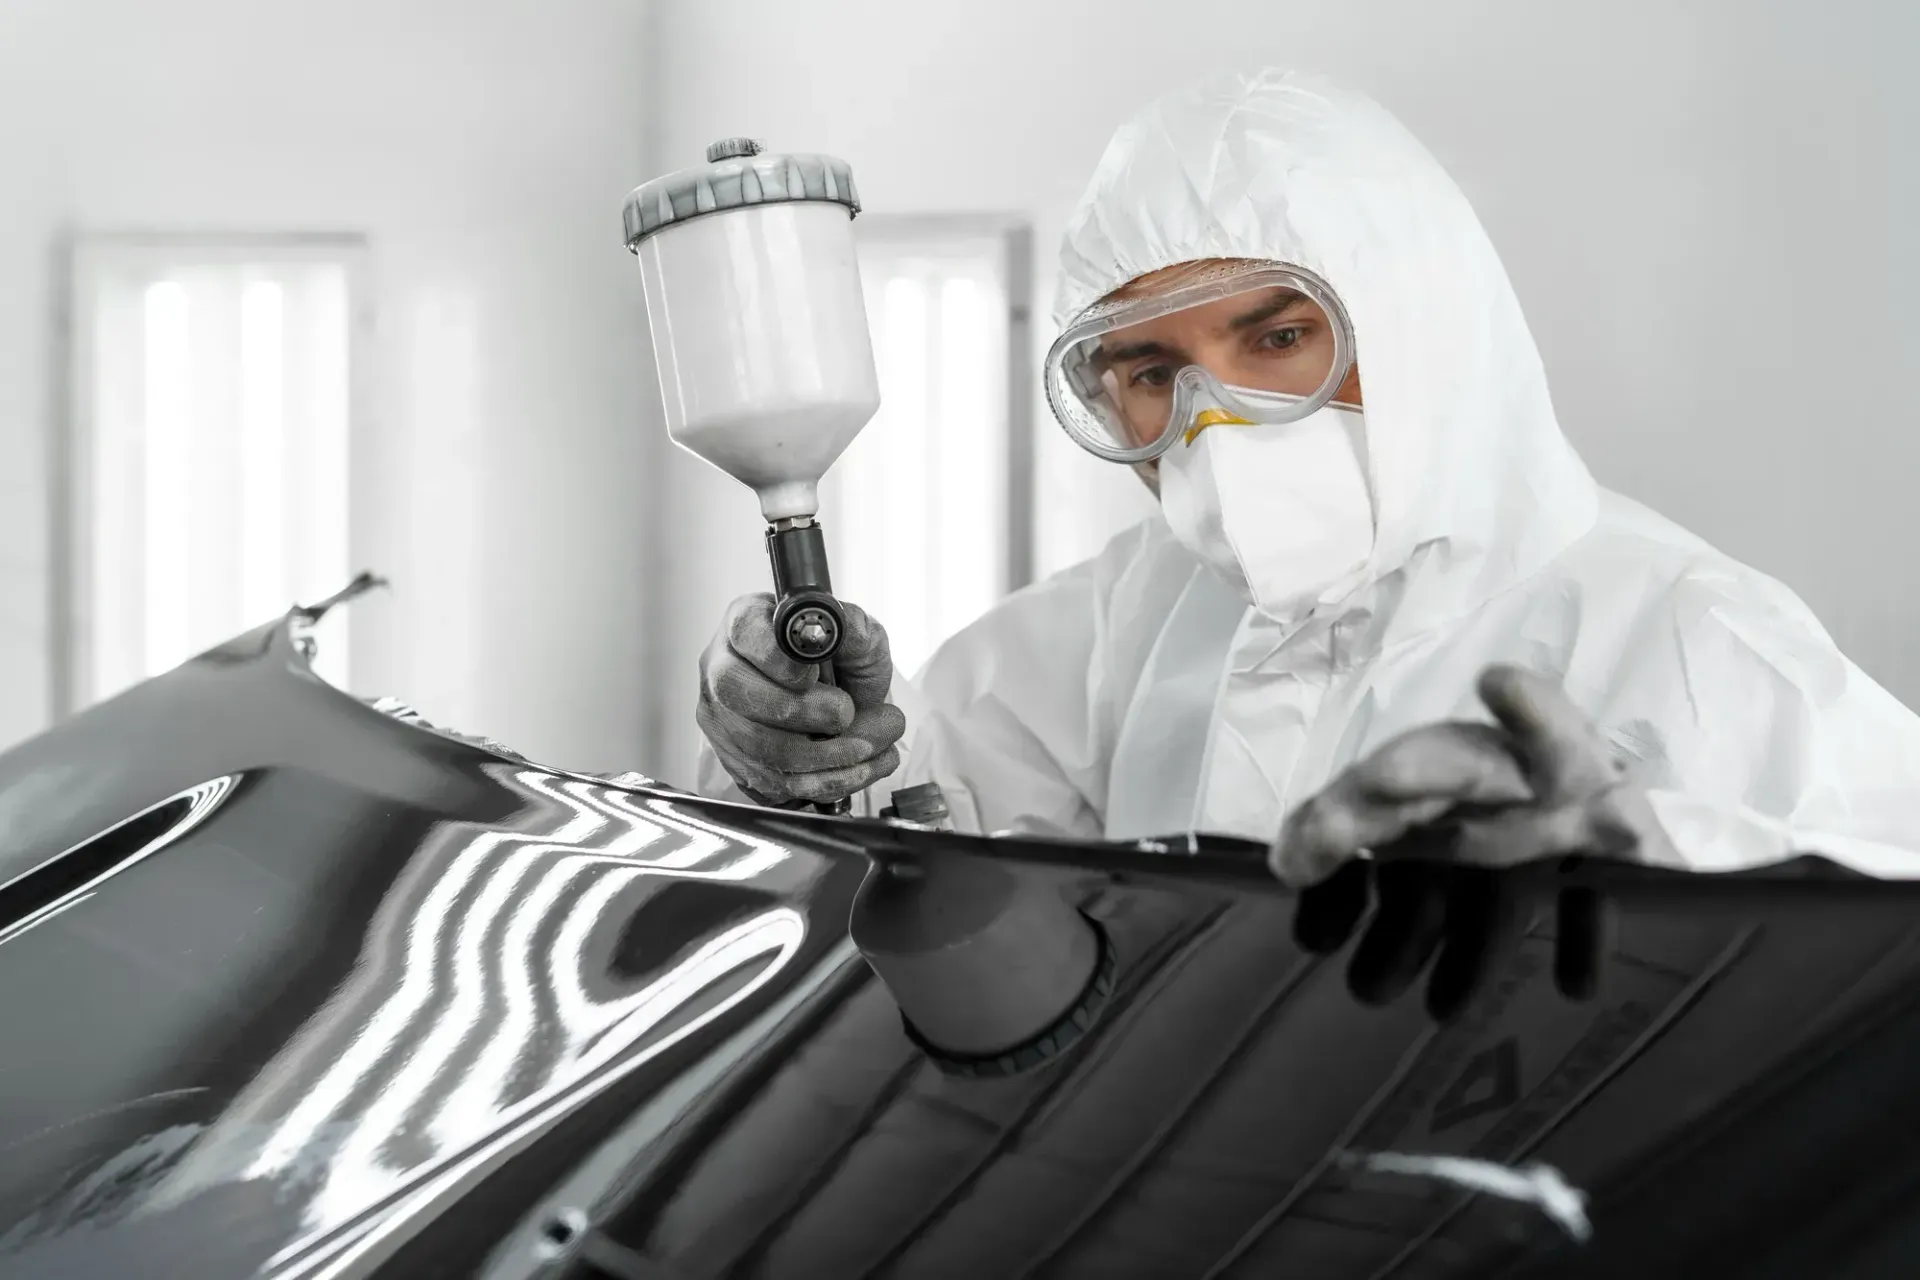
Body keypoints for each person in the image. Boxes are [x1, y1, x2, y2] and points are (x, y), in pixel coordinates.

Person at [693, 69, 1920, 1008]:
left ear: (1420, 323)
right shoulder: (1138, 607)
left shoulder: (1694, 637)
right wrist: (798, 740)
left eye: (1280, 341)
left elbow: (1880, 924)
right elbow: (928, 820)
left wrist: (1656, 863)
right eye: (1147, 368)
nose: (1216, 423)